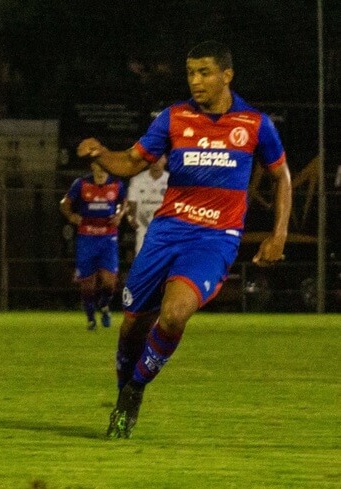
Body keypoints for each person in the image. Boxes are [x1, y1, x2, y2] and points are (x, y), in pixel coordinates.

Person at [77, 40, 291, 438]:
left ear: (227, 75)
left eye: (205, 72)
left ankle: (134, 392)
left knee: (174, 314)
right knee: (132, 328)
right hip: (166, 232)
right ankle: (126, 384)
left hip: (215, 238)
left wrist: (278, 235)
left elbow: (282, 177)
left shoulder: (255, 124)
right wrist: (102, 154)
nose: (196, 81)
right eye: (191, 73)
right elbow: (132, 161)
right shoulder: (174, 118)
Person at [60, 161, 127, 330]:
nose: (102, 170)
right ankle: (91, 318)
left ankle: (104, 305)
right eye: (99, 166)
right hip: (87, 238)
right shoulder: (81, 184)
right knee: (87, 283)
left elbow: (124, 202)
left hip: (108, 237)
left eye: (105, 167)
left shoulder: (116, 184)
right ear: (93, 167)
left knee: (109, 282)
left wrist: (119, 215)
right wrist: (71, 216)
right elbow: (64, 204)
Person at [126, 155, 169, 255]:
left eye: (159, 158)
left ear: (165, 160)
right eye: (153, 158)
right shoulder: (137, 180)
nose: (156, 162)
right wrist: (131, 217)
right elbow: (131, 203)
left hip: (165, 232)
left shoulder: (171, 181)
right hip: (144, 230)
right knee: (142, 264)